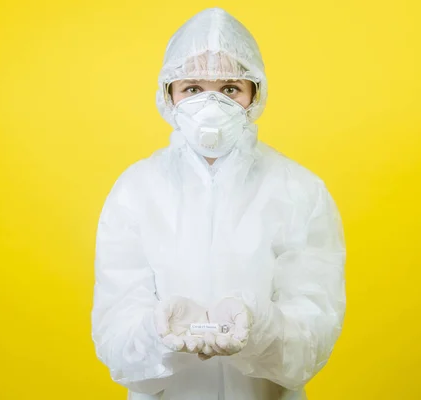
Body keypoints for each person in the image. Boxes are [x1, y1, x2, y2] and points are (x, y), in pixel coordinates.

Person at [91, 7, 346, 400]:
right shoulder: (135, 192)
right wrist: (157, 333)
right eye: (192, 88)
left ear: (254, 94)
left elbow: (313, 338)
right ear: (168, 95)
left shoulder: (300, 191)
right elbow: (115, 340)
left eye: (229, 89)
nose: (211, 105)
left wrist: (259, 329)